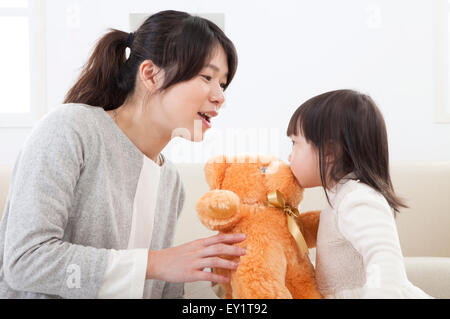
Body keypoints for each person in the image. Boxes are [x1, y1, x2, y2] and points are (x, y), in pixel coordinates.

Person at [0, 10, 246, 299]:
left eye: (223, 83)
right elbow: (24, 261)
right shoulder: (70, 129)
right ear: (151, 75)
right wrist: (155, 263)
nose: (220, 97)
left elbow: (157, 286)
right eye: (207, 77)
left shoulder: (171, 182)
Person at [287, 89, 432, 298]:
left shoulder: (357, 198)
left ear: (329, 152)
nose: (289, 155)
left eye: (295, 143)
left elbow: (385, 260)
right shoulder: (340, 199)